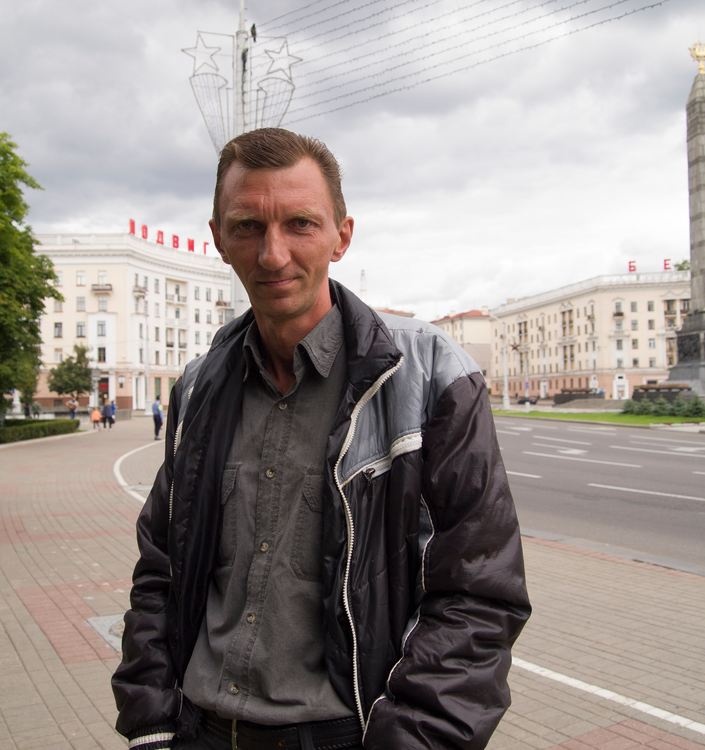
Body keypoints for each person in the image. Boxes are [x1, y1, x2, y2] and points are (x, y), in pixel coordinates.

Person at [111, 128, 530, 750]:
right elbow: (160, 571)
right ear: (219, 238)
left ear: (342, 235)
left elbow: (479, 592)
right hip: (199, 731)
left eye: (300, 224)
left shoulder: (428, 374)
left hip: (345, 735)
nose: (273, 254)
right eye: (248, 227)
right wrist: (151, 723)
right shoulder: (198, 389)